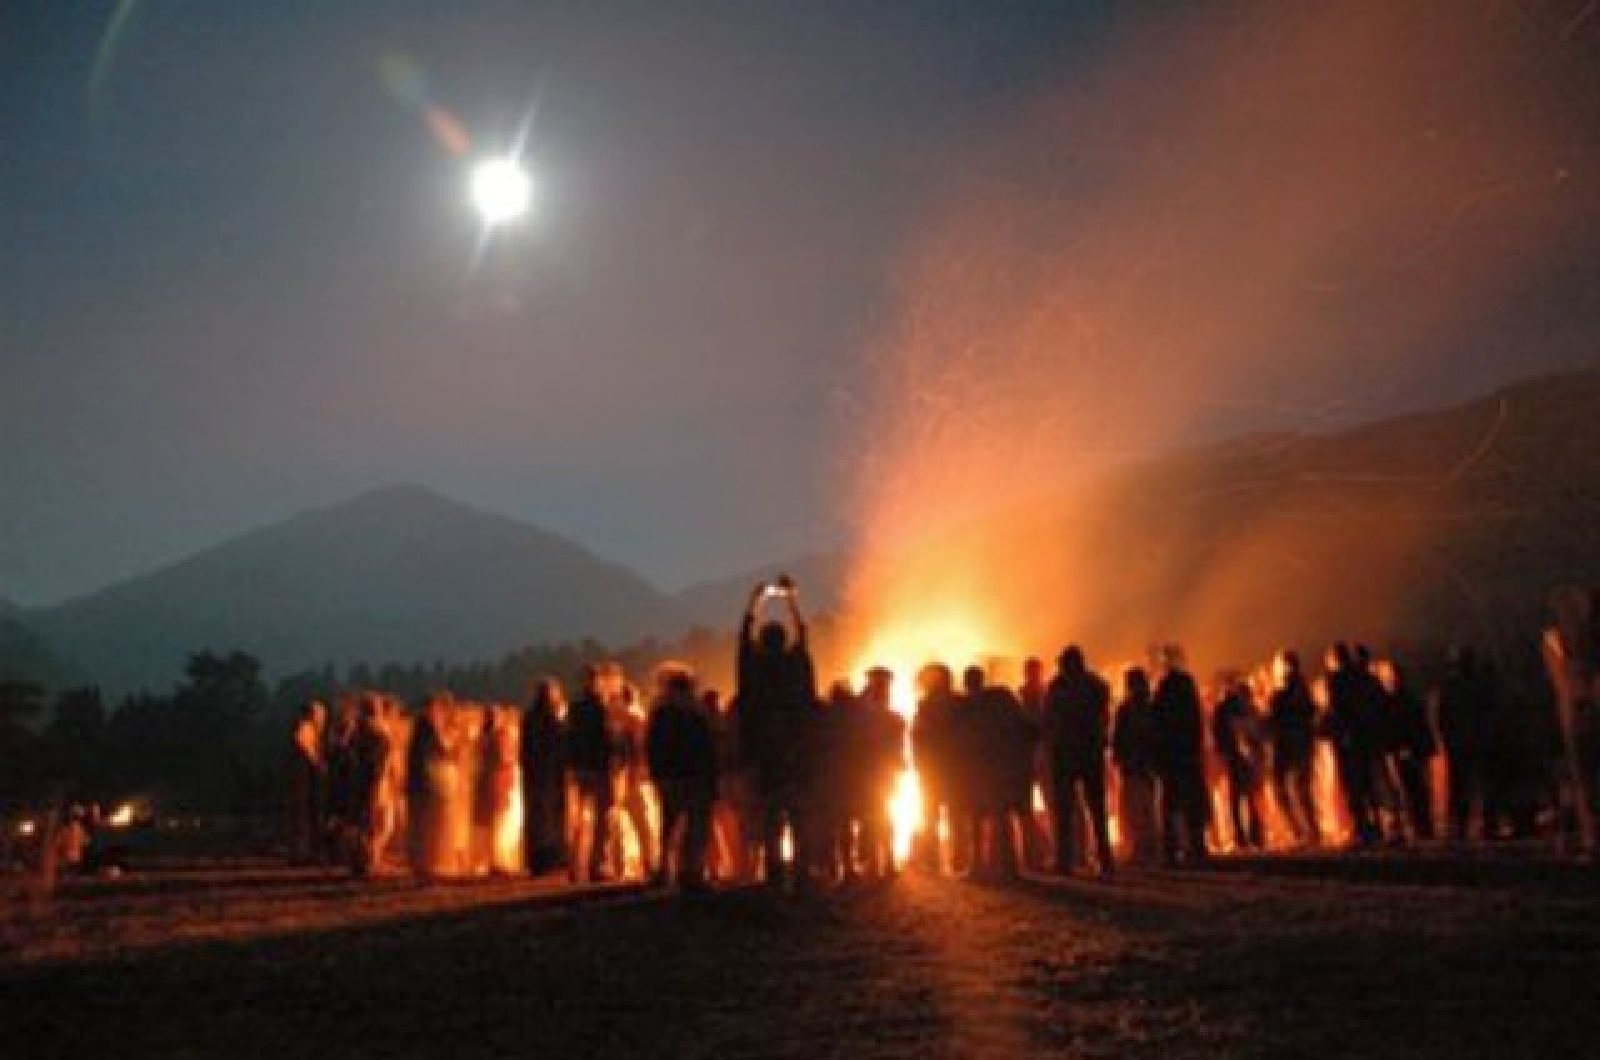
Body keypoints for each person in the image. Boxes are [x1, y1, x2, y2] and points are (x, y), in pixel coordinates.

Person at [734, 575, 819, 887]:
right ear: (784, 641)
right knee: (798, 814)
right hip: (796, 752)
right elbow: (804, 635)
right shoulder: (795, 666)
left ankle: (773, 872)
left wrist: (754, 601)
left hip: (764, 754)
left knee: (770, 815)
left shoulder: (753, 669)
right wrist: (792, 600)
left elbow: (743, 639)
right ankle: (802, 871)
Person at [1044, 645, 1114, 875]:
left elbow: (1049, 718)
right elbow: (1103, 714)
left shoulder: (1058, 687)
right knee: (1096, 808)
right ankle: (1104, 859)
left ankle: (1065, 860)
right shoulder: (1095, 685)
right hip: (1089, 752)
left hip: (1066, 754)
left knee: (1065, 810)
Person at [647, 666, 718, 891]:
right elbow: (706, 747)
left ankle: (663, 869)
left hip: (668, 776)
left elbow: (652, 746)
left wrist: (656, 773)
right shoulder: (696, 713)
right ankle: (691, 872)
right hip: (693, 776)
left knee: (669, 824)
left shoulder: (660, 713)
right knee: (695, 826)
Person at [1153, 645, 1209, 866]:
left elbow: (1158, 722)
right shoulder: (1185, 684)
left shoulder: (1165, 687)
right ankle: (1196, 846)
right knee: (1190, 801)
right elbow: (1195, 719)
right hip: (1185, 752)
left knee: (1172, 804)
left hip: (1173, 754)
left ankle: (1173, 849)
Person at [1322, 644, 1382, 847]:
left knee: (1352, 785)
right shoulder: (1365, 678)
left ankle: (1361, 827)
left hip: (1347, 739)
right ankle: (1376, 825)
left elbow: (1337, 708)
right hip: (1366, 736)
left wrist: (1337, 729)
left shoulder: (1336, 680)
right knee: (1367, 783)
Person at [1433, 645, 1492, 843]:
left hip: (1461, 744)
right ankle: (1475, 825)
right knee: (1472, 785)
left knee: (1460, 787)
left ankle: (1461, 826)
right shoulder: (1477, 687)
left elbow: (1442, 717)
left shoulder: (1452, 687)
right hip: (1470, 743)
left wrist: (1447, 739)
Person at [564, 666, 615, 882]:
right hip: (598, 768)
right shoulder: (601, 707)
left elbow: (569, 738)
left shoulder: (574, 708)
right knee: (601, 819)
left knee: (579, 819)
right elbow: (606, 739)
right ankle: (596, 864)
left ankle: (574, 866)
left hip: (580, 768)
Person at [1267, 651, 1320, 847]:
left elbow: (1276, 718)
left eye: (1278, 664)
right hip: (1297, 744)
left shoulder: (1288, 692)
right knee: (1298, 788)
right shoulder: (1301, 691)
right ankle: (1307, 831)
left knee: (1291, 789)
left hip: (1289, 745)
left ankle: (1302, 832)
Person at [912, 663, 960, 873]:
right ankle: (958, 858)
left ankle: (934, 860)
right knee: (955, 814)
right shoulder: (958, 704)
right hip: (951, 768)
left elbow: (918, 738)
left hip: (933, 769)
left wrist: (919, 764)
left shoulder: (926, 707)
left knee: (932, 815)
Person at [1111, 667, 1161, 865]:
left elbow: (1120, 737)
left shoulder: (1128, 709)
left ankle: (1141, 848)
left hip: (1135, 766)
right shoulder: (1151, 707)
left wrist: (1120, 757)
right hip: (1145, 766)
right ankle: (1148, 847)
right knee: (1146, 807)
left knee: (1135, 809)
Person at [1211, 674, 1267, 851]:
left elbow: (1219, 732)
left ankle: (1243, 837)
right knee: (1249, 796)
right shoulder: (1246, 707)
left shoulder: (1224, 708)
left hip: (1235, 757)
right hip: (1247, 757)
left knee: (1237, 798)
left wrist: (1223, 752)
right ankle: (1255, 836)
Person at [1383, 662, 1436, 842]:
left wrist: (1405, 747)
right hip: (1409, 750)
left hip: (1406, 751)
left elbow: (1407, 726)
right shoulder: (1406, 699)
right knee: (1414, 790)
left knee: (1409, 790)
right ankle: (1422, 827)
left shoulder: (1399, 701)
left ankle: (1418, 827)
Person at [522, 678, 568, 873]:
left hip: (537, 773)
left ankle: (539, 857)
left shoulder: (530, 717)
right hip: (547, 773)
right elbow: (557, 743)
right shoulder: (549, 718)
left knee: (540, 818)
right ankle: (547, 857)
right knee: (547, 818)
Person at [288, 700, 327, 864]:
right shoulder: (305, 727)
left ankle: (306, 851)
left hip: (306, 782)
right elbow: (300, 741)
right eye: (320, 715)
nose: (323, 719)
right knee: (302, 817)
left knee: (308, 816)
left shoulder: (311, 730)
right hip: (301, 782)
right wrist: (315, 761)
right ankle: (301, 852)